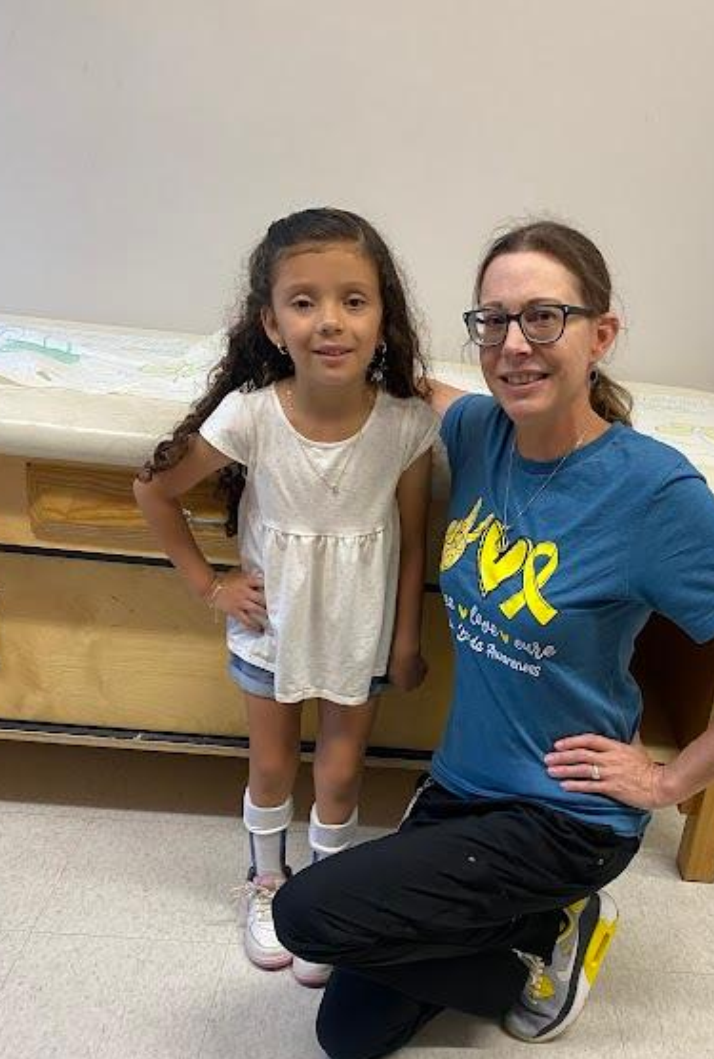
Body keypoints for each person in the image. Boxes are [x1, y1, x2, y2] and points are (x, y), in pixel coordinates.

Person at [271, 218, 714, 1059]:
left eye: (543, 317)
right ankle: (531, 929)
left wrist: (669, 780)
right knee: (346, 1035)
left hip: (563, 813)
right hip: (461, 790)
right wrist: (309, 341)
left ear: (600, 336)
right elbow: (396, 381)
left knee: (305, 916)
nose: (512, 346)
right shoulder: (477, 433)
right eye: (492, 321)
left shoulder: (651, 490)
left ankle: (555, 928)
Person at [134, 207, 437, 984]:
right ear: (270, 322)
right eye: (303, 302)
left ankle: (324, 898)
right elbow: (155, 492)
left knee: (339, 775)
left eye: (352, 300)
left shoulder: (406, 426)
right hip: (271, 630)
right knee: (271, 768)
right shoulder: (251, 414)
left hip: (359, 633)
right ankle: (267, 882)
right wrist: (212, 586)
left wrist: (406, 638)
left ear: (381, 318)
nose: (329, 322)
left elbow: (408, 541)